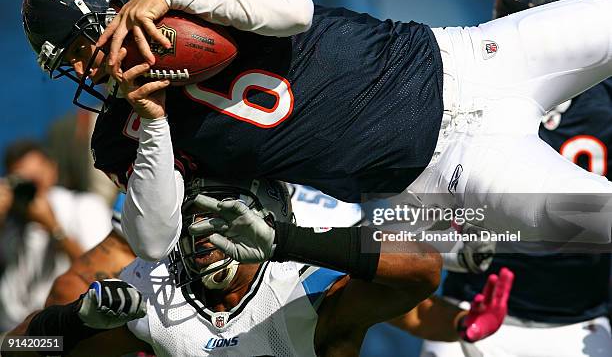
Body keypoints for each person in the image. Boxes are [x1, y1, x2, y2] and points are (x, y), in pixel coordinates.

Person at [21, 0, 612, 262]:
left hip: (470, 56)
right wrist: (153, 123)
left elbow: (293, 9)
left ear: (116, 13)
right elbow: (152, 240)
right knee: (597, 221)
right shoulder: (123, 131)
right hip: (451, 167)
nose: (80, 71)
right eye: (65, 63)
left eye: (78, 49)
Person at [5, 177, 513, 357]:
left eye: (222, 221)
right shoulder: (154, 285)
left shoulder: (306, 283)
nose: (203, 237)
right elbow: (17, 347)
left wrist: (458, 322)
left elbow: (418, 272)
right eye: (192, 222)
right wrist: (73, 322)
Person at [420, 0, 612, 357]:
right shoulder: (463, 96)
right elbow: (416, 216)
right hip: (473, 312)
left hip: (575, 322)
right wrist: (457, 245)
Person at [0, 140, 111, 332]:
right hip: (13, 330)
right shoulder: (9, 218)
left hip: (64, 328)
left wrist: (53, 227)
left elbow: (101, 271)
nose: (30, 190)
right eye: (21, 181)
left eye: (34, 180)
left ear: (53, 170)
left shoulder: (84, 207)